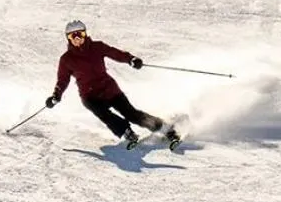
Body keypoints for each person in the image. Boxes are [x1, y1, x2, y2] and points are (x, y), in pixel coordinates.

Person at [45, 20, 180, 150]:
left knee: (132, 114)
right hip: (90, 96)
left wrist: (131, 59)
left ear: (85, 34)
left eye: (80, 34)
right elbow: (62, 80)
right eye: (72, 35)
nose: (77, 38)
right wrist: (56, 96)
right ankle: (127, 132)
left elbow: (115, 53)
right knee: (105, 115)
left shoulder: (97, 47)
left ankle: (166, 129)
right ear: (68, 39)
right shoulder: (66, 59)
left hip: (109, 89)